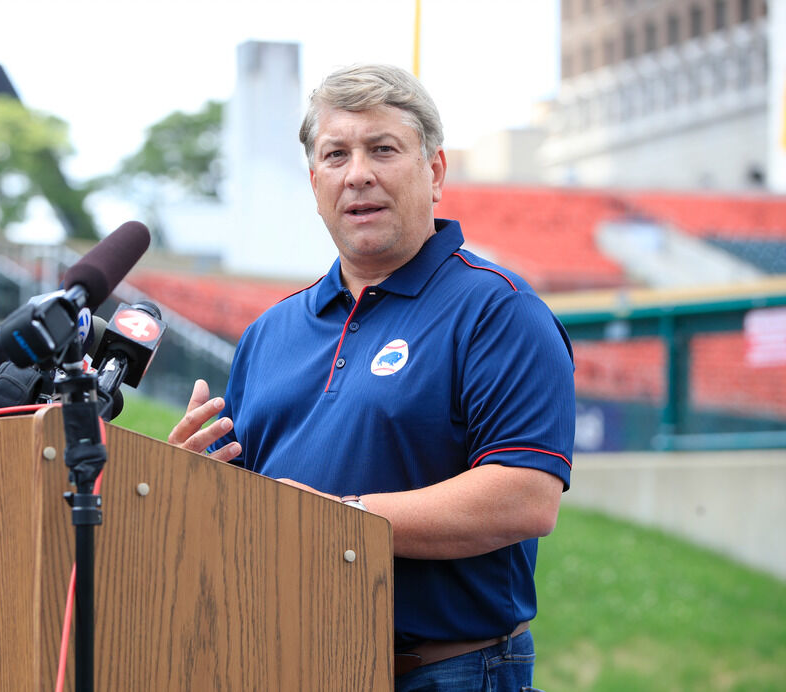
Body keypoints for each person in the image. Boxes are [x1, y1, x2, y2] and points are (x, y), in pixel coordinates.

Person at [169, 64, 574, 691]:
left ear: (434, 172)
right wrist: (189, 481)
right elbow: (243, 515)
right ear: (315, 182)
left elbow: (525, 495)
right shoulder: (268, 334)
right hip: (286, 663)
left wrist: (341, 519)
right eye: (336, 154)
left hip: (448, 671)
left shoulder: (499, 310)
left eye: (383, 149)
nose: (358, 172)